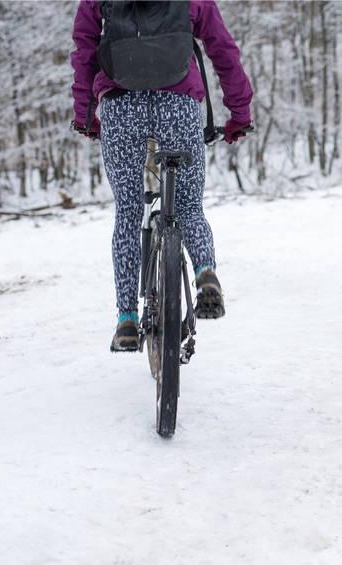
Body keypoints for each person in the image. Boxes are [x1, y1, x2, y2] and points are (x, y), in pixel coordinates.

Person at [69, 0, 253, 352]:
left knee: (127, 210)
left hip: (121, 106)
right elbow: (221, 48)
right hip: (177, 103)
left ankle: (127, 319)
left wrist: (86, 113)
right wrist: (238, 112)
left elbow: (85, 49)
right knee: (188, 205)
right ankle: (204, 272)